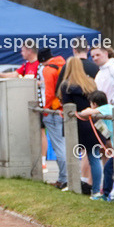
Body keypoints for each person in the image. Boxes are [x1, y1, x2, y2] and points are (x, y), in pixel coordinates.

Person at [58, 56, 101, 196]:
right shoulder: (90, 82)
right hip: (91, 123)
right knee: (94, 158)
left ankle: (74, 185)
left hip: (75, 125)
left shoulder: (66, 86)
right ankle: (95, 190)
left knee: (74, 156)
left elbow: (66, 106)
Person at [38, 49, 68, 188]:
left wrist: (46, 110)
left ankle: (64, 179)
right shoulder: (64, 64)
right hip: (66, 110)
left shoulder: (48, 70)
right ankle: (68, 177)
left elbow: (49, 93)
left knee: (59, 147)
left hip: (54, 111)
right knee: (65, 145)